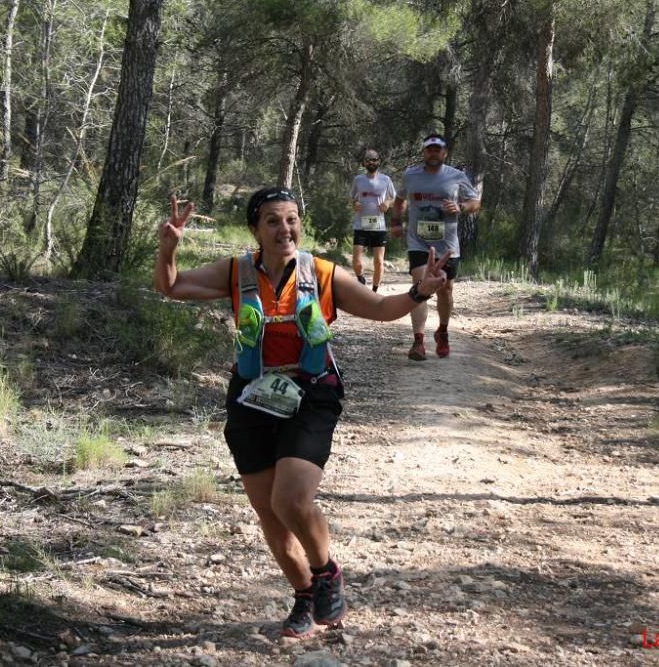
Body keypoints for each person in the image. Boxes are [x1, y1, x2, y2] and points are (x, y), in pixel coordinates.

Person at [154, 187, 450, 638]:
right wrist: (168, 248)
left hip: (311, 393)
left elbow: (382, 308)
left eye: (291, 219)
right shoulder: (237, 271)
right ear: (255, 229)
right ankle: (305, 598)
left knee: (290, 499)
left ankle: (326, 571)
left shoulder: (323, 273)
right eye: (272, 220)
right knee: (270, 514)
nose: (284, 229)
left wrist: (417, 290)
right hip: (252, 396)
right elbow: (171, 287)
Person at [391, 133, 481, 361]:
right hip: (418, 242)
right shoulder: (411, 176)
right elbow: (400, 200)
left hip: (448, 245)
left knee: (445, 289)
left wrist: (460, 206)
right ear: (424, 152)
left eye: (437, 149)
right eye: (429, 149)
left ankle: (442, 331)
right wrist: (395, 223)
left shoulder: (456, 176)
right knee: (421, 285)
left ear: (445, 153)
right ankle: (418, 341)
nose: (432, 153)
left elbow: (476, 203)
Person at [349, 149, 396, 292]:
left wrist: (388, 203)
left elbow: (394, 198)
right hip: (361, 225)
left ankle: (374, 291)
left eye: (374, 159)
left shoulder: (386, 180)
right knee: (356, 260)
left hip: (378, 226)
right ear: (364, 163)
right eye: (368, 159)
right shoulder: (358, 180)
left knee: (379, 262)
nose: (371, 162)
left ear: (379, 162)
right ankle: (360, 277)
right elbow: (351, 198)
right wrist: (354, 204)